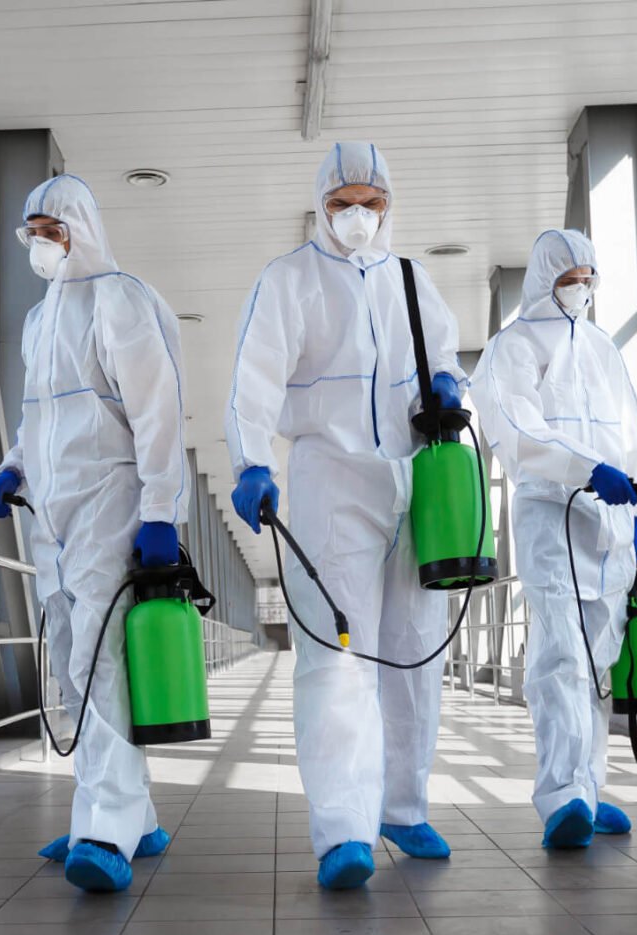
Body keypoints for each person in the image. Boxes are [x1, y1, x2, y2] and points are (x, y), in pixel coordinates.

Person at [225, 142, 466, 889]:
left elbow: (446, 355)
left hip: (413, 477)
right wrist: (249, 461)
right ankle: (342, 830)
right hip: (331, 477)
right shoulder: (289, 280)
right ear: (321, 205)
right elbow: (253, 379)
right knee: (335, 654)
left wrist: (452, 386)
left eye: (370, 202)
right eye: (342, 203)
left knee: (414, 646)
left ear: (389, 204)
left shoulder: (411, 279)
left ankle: (404, 804)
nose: (357, 216)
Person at [0, 174, 189, 892]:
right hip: (55, 512)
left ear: (82, 230)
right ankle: (128, 809)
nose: (40, 243)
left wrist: (161, 509)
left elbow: (158, 412)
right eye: (32, 231)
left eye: (52, 229)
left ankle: (109, 827)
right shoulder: (40, 319)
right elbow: (40, 418)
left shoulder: (118, 298)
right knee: (72, 657)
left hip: (110, 497)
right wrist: (12, 471)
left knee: (103, 659)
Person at [469, 229, 637, 849]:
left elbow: (631, 437)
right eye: (570, 277)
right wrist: (584, 469)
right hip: (554, 518)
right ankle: (562, 796)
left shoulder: (604, 348)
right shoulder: (512, 346)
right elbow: (519, 432)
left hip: (612, 527)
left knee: (599, 663)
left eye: (588, 278)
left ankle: (589, 788)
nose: (581, 288)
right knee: (561, 659)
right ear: (546, 277)